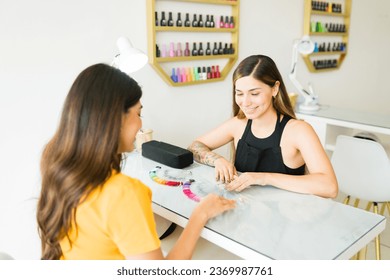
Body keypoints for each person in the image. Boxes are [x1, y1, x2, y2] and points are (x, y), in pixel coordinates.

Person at [37, 63, 235, 260]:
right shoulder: (124, 192)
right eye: (138, 113)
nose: (141, 124)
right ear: (115, 118)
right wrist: (200, 215)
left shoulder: (55, 162)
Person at [188, 55, 338, 198]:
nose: (245, 102)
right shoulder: (237, 124)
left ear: (275, 89)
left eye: (254, 93)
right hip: (244, 214)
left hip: (286, 219)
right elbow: (194, 146)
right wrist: (217, 160)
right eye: (239, 93)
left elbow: (329, 187)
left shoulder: (298, 131)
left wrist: (264, 178)